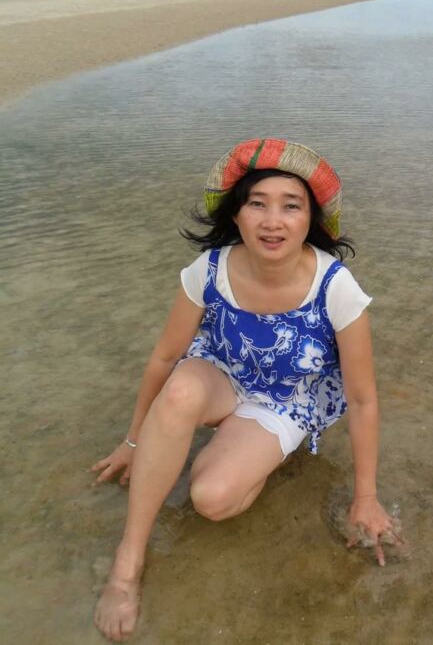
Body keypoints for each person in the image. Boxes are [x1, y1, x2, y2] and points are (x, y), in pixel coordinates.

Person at [92, 138, 396, 642]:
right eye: (257, 203)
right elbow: (165, 358)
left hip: (286, 398)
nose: (272, 222)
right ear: (236, 214)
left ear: (311, 220)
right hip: (220, 372)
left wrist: (366, 497)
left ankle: (249, 444)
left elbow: (364, 400)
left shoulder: (336, 287)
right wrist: (132, 441)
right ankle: (128, 562)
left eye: (291, 206)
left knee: (211, 499)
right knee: (179, 391)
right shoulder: (209, 270)